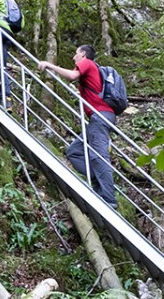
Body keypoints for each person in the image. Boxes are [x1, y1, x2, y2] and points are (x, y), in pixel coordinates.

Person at [39, 44, 116, 206]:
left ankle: (108, 199)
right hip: (97, 118)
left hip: (100, 116)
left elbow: (72, 76)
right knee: (74, 152)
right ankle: (98, 185)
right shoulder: (92, 68)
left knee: (98, 155)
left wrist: (49, 65)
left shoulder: (87, 62)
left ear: (83, 54)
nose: (74, 57)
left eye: (76, 54)